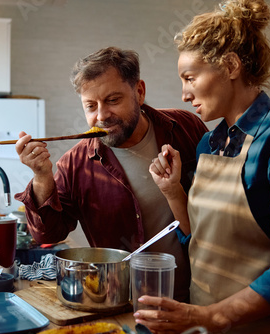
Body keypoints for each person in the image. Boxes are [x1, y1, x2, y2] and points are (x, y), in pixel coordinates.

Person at [136, 0, 270, 333]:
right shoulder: (209, 144)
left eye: (190, 78)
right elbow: (198, 241)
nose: (184, 94)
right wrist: (172, 191)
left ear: (229, 66)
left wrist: (214, 316)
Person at [14, 46, 208, 302]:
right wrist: (41, 177)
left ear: (139, 92)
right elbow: (47, 235)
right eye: (90, 106)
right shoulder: (75, 164)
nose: (101, 115)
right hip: (122, 302)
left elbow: (216, 209)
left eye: (113, 100)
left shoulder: (185, 127)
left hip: (198, 295)